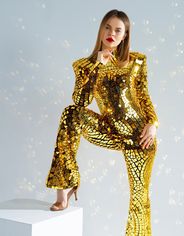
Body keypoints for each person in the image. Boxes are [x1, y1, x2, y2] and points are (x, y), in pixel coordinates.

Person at [45, 9, 159, 236]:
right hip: (108, 129)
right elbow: (81, 101)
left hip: (138, 135)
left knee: (139, 194)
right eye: (108, 27)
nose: (111, 33)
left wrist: (153, 123)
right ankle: (65, 186)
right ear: (101, 29)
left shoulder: (136, 61)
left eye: (118, 30)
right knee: (71, 114)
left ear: (125, 35)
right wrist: (96, 67)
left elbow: (144, 96)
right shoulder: (83, 65)